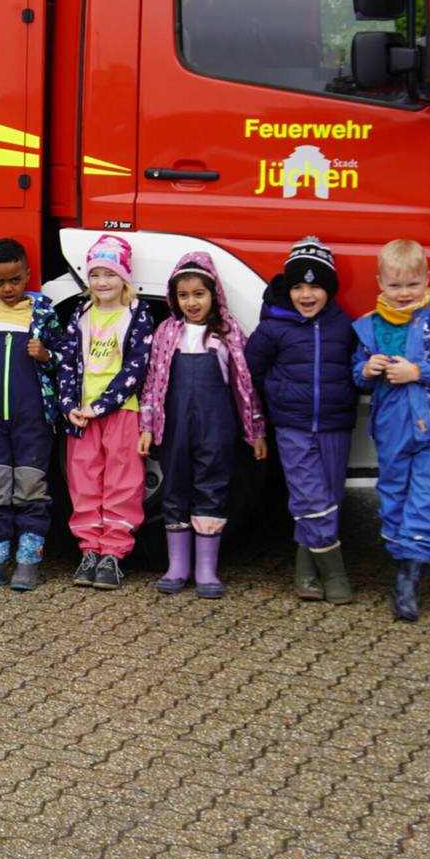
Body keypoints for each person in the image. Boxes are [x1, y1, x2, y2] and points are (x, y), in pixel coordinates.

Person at [353, 238, 430, 623]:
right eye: (395, 286)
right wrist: (366, 372)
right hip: (392, 426)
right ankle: (401, 559)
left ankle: (410, 579)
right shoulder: (370, 326)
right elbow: (358, 371)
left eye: (412, 285)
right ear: (380, 283)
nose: (404, 294)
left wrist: (417, 371)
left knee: (428, 496)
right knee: (394, 492)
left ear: (427, 279)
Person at [138, 252, 266, 599]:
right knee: (175, 486)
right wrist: (147, 426)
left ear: (213, 294)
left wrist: (255, 431)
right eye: (184, 295)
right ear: (174, 298)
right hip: (175, 427)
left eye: (199, 294)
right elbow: (152, 382)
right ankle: (178, 565)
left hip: (217, 427)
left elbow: (244, 385)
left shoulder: (227, 333)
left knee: (213, 486)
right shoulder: (166, 333)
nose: (192, 302)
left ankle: (206, 568)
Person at [245, 237, 359, 604]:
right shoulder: (273, 328)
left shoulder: (345, 327)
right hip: (292, 425)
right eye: (297, 286)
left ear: (329, 290)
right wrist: (267, 410)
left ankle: (306, 571)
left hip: (335, 424)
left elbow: (356, 370)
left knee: (329, 498)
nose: (306, 295)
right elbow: (251, 373)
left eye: (315, 286)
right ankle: (335, 572)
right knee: (310, 495)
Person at [0, 238, 60, 592]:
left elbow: (65, 361)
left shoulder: (44, 312)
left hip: (33, 420)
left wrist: (46, 355)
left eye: (15, 280)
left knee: (32, 489)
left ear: (28, 274)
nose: (7, 289)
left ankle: (28, 562)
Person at [57, 234, 154, 590]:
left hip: (121, 412)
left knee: (122, 483)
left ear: (124, 277)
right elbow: (67, 362)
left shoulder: (136, 314)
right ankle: (89, 551)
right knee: (84, 483)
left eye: (110, 274)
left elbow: (136, 368)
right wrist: (69, 406)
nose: (102, 282)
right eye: (96, 274)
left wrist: (100, 406)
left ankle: (113, 553)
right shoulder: (80, 314)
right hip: (82, 417)